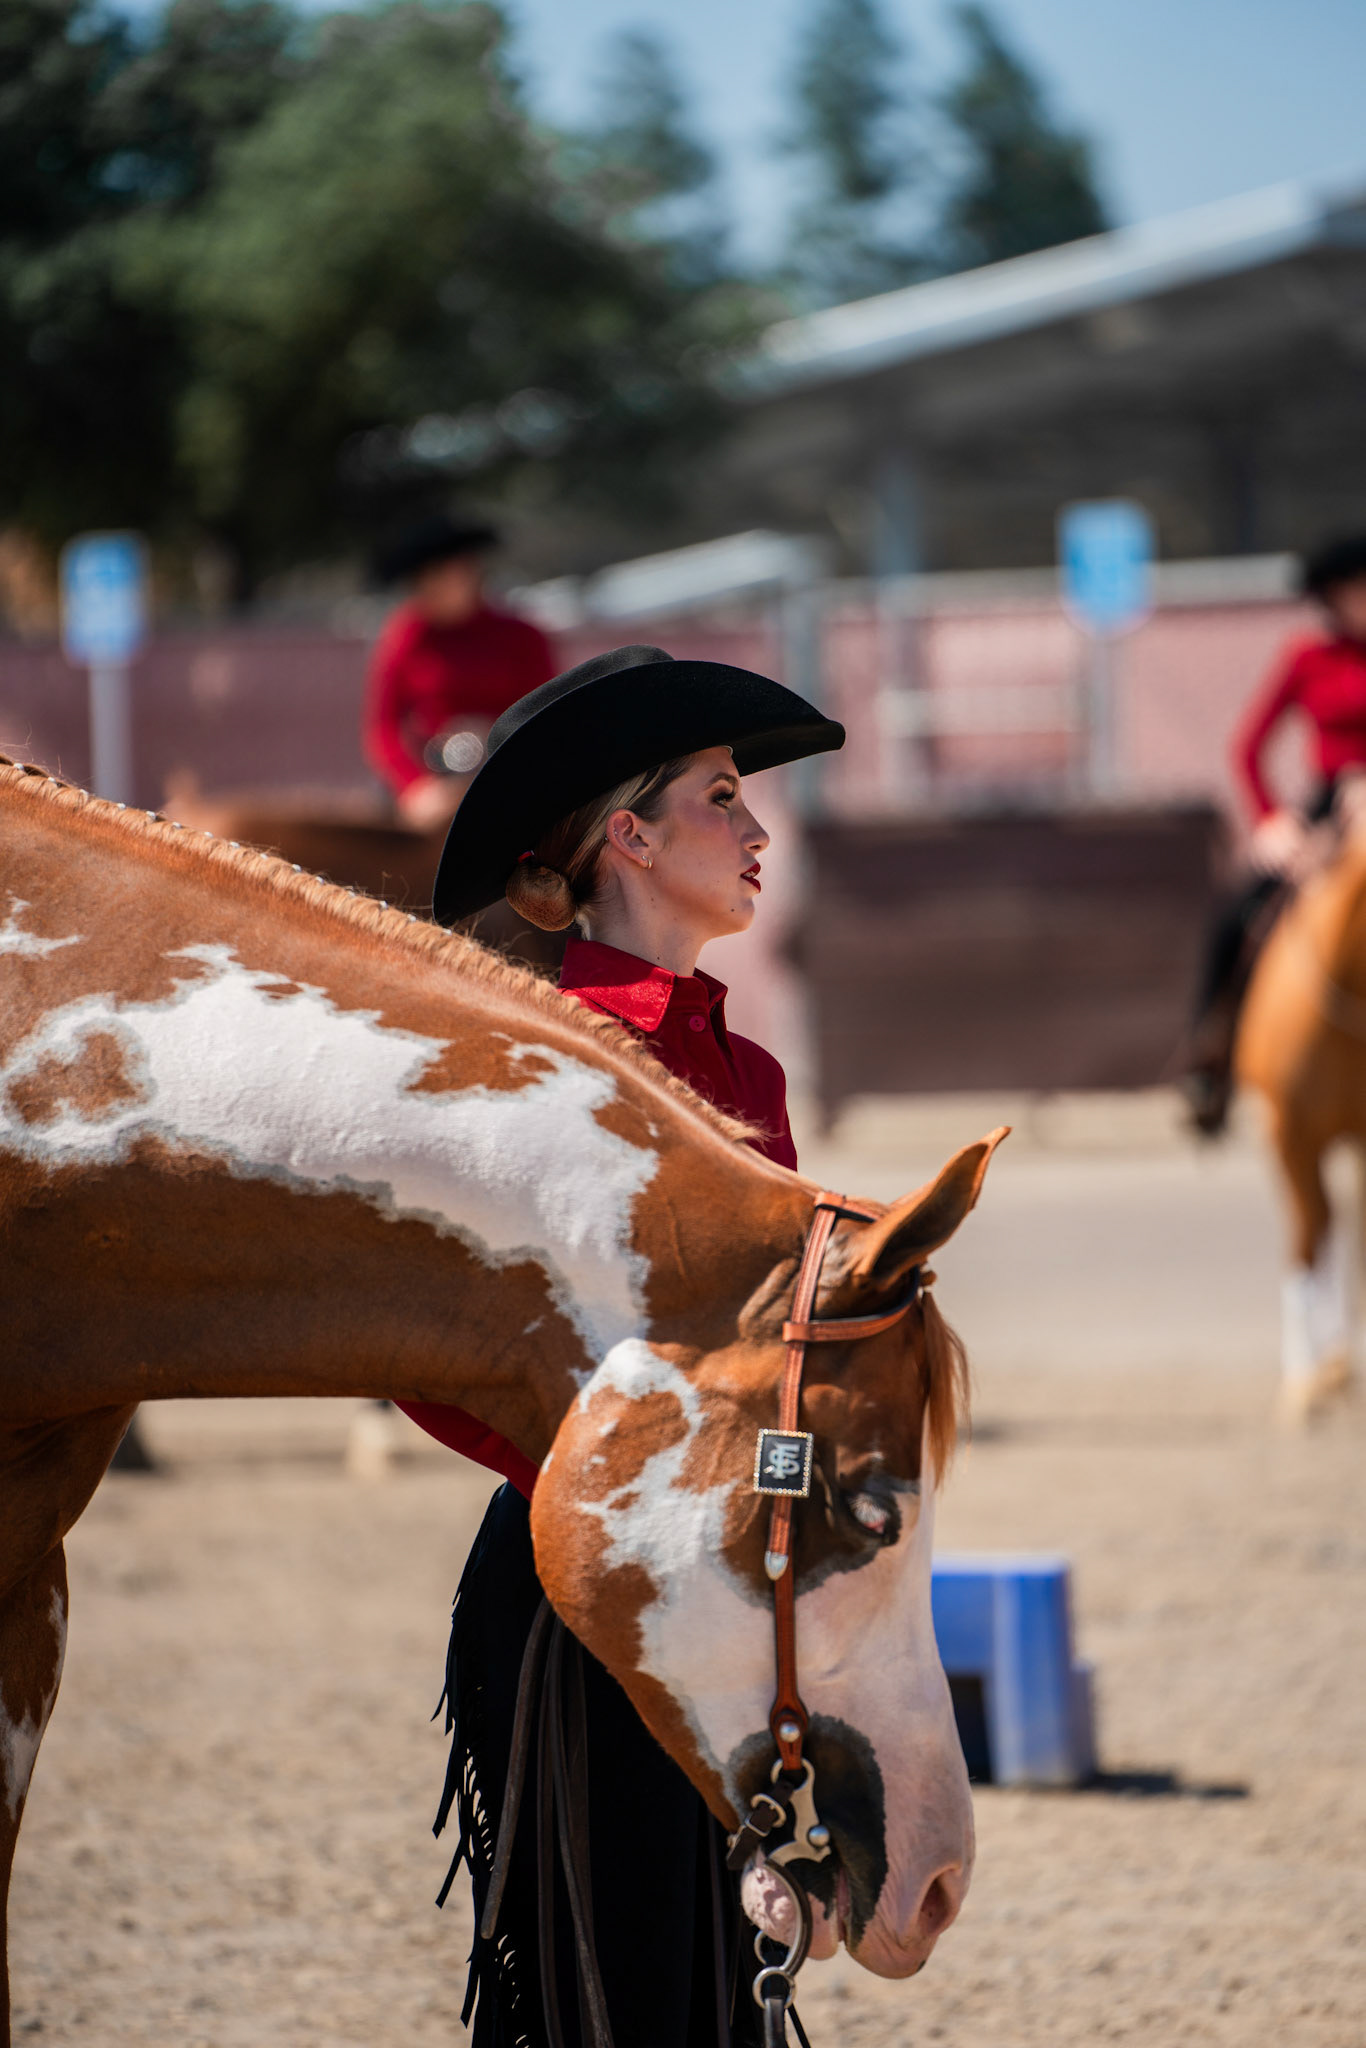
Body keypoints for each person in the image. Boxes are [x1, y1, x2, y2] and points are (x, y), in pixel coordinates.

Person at [398, 643, 844, 2047]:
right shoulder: (540, 1059)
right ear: (630, 838)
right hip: (578, 1599)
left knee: (725, 1985)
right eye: (721, 796)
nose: (757, 828)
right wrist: (600, 1483)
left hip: (735, 1582)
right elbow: (425, 1350)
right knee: (600, 1992)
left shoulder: (750, 1069)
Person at [1184, 533, 1366, 1134]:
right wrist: (1271, 821)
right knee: (1239, 915)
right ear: (1332, 596)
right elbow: (1249, 747)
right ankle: (1211, 1057)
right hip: (1328, 808)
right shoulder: (1308, 656)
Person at [363, 513, 556, 833]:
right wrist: (414, 788)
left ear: (471, 572)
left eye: (444, 575)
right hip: (432, 789)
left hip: (509, 778)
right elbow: (384, 728)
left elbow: (547, 718)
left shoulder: (523, 637)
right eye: (424, 579)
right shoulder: (404, 637)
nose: (434, 588)